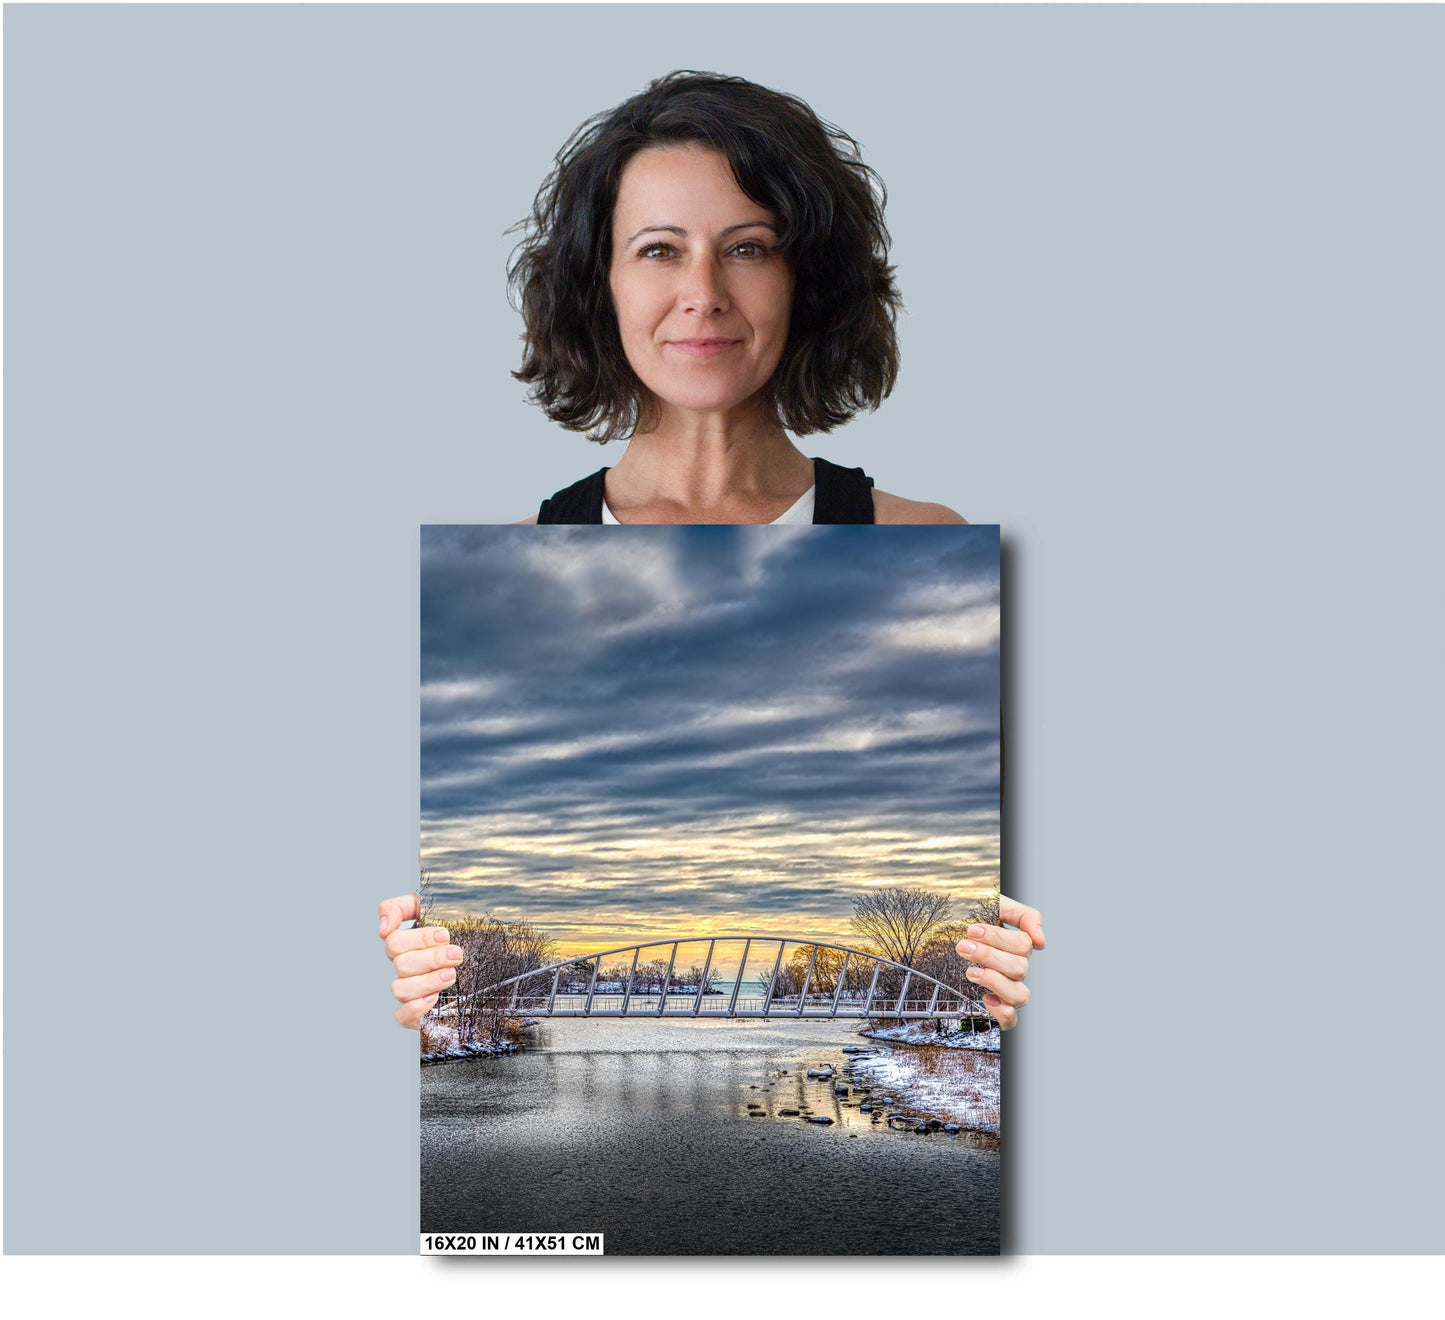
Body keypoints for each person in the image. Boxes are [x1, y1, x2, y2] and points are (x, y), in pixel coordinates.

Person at [383, 70, 1045, 1029]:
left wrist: (1012, 977)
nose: (702, 294)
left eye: (749, 248)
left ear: (805, 279)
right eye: (658, 250)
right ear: (599, 283)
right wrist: (413, 990)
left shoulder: (925, 539)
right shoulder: (496, 561)